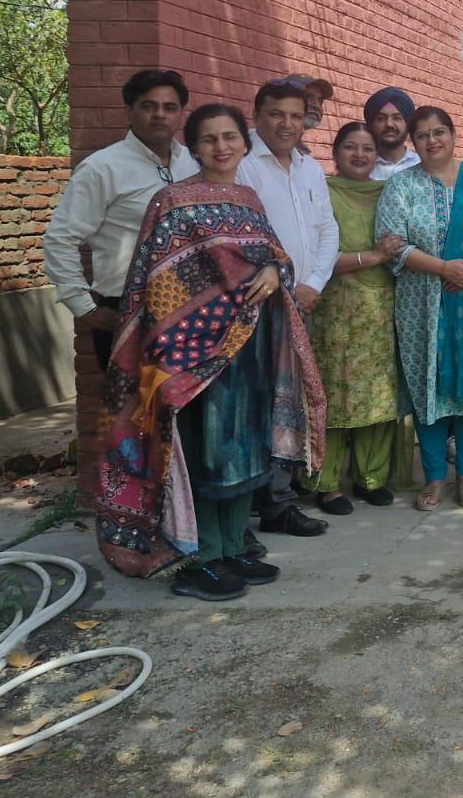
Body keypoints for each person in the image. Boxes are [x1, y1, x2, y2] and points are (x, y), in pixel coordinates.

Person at [94, 103, 324, 601]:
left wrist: (272, 271)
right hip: (194, 356)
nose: (220, 147)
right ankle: (196, 559)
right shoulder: (172, 201)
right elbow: (158, 281)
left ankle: (229, 547)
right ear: (193, 147)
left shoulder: (248, 198)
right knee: (204, 452)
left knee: (244, 451)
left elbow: (272, 255)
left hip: (251, 350)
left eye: (229, 137)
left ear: (244, 144)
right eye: (208, 139)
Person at [379, 107, 463, 511]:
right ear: (412, 142)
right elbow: (391, 244)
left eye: (439, 132)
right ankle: (435, 477)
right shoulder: (401, 186)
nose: (432, 140)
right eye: (422, 135)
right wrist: (443, 267)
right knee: (429, 389)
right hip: (423, 304)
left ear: (453, 136)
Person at [237, 78, 340, 538]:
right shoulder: (242, 166)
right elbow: (244, 237)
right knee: (257, 401)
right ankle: (252, 502)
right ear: (257, 115)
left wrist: (313, 282)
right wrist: (282, 281)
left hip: (304, 301)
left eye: (296, 116)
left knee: (291, 400)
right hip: (256, 304)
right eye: (277, 114)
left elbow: (326, 229)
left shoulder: (309, 167)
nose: (287, 124)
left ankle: (280, 500)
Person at [45, 69, 199, 370]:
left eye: (170, 107)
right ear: (129, 111)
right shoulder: (103, 168)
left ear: (181, 114)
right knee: (133, 413)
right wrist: (84, 307)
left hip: (190, 306)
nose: (159, 115)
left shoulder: (193, 163)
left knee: (187, 413)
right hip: (127, 310)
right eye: (148, 106)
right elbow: (60, 238)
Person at [305, 123, 410, 514]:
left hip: (383, 308)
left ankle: (371, 478)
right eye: (351, 147)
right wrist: (374, 256)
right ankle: (326, 483)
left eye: (368, 149)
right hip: (334, 308)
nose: (360, 155)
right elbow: (314, 254)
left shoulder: (391, 193)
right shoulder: (321, 194)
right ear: (336, 152)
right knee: (334, 393)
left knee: (379, 394)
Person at [364, 86, 421, 181]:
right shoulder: (362, 166)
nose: (389, 124)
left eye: (397, 118)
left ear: (408, 124)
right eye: (381, 118)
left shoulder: (422, 165)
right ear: (371, 125)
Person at [283, 73, 333, 155]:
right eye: (307, 97)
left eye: (320, 101)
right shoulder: (260, 148)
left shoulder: (306, 156)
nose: (316, 105)